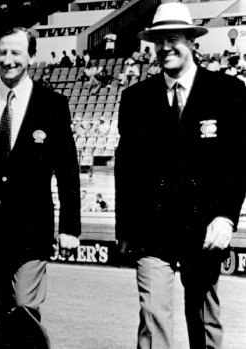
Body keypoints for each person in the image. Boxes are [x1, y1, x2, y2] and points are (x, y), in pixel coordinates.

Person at [115, 3, 246, 349]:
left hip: (204, 230)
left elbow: (239, 161)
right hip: (151, 231)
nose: (164, 48)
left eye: (173, 39)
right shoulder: (135, 99)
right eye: (158, 41)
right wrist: (124, 228)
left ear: (192, 41)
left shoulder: (228, 92)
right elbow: (125, 167)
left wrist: (226, 217)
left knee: (203, 321)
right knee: (153, 316)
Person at [0, 27, 81, 349]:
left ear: (31, 56)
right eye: (2, 53)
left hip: (31, 232)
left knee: (24, 310)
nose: (8, 60)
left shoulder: (53, 104)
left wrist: (70, 227)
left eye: (16, 53)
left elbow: (67, 171)